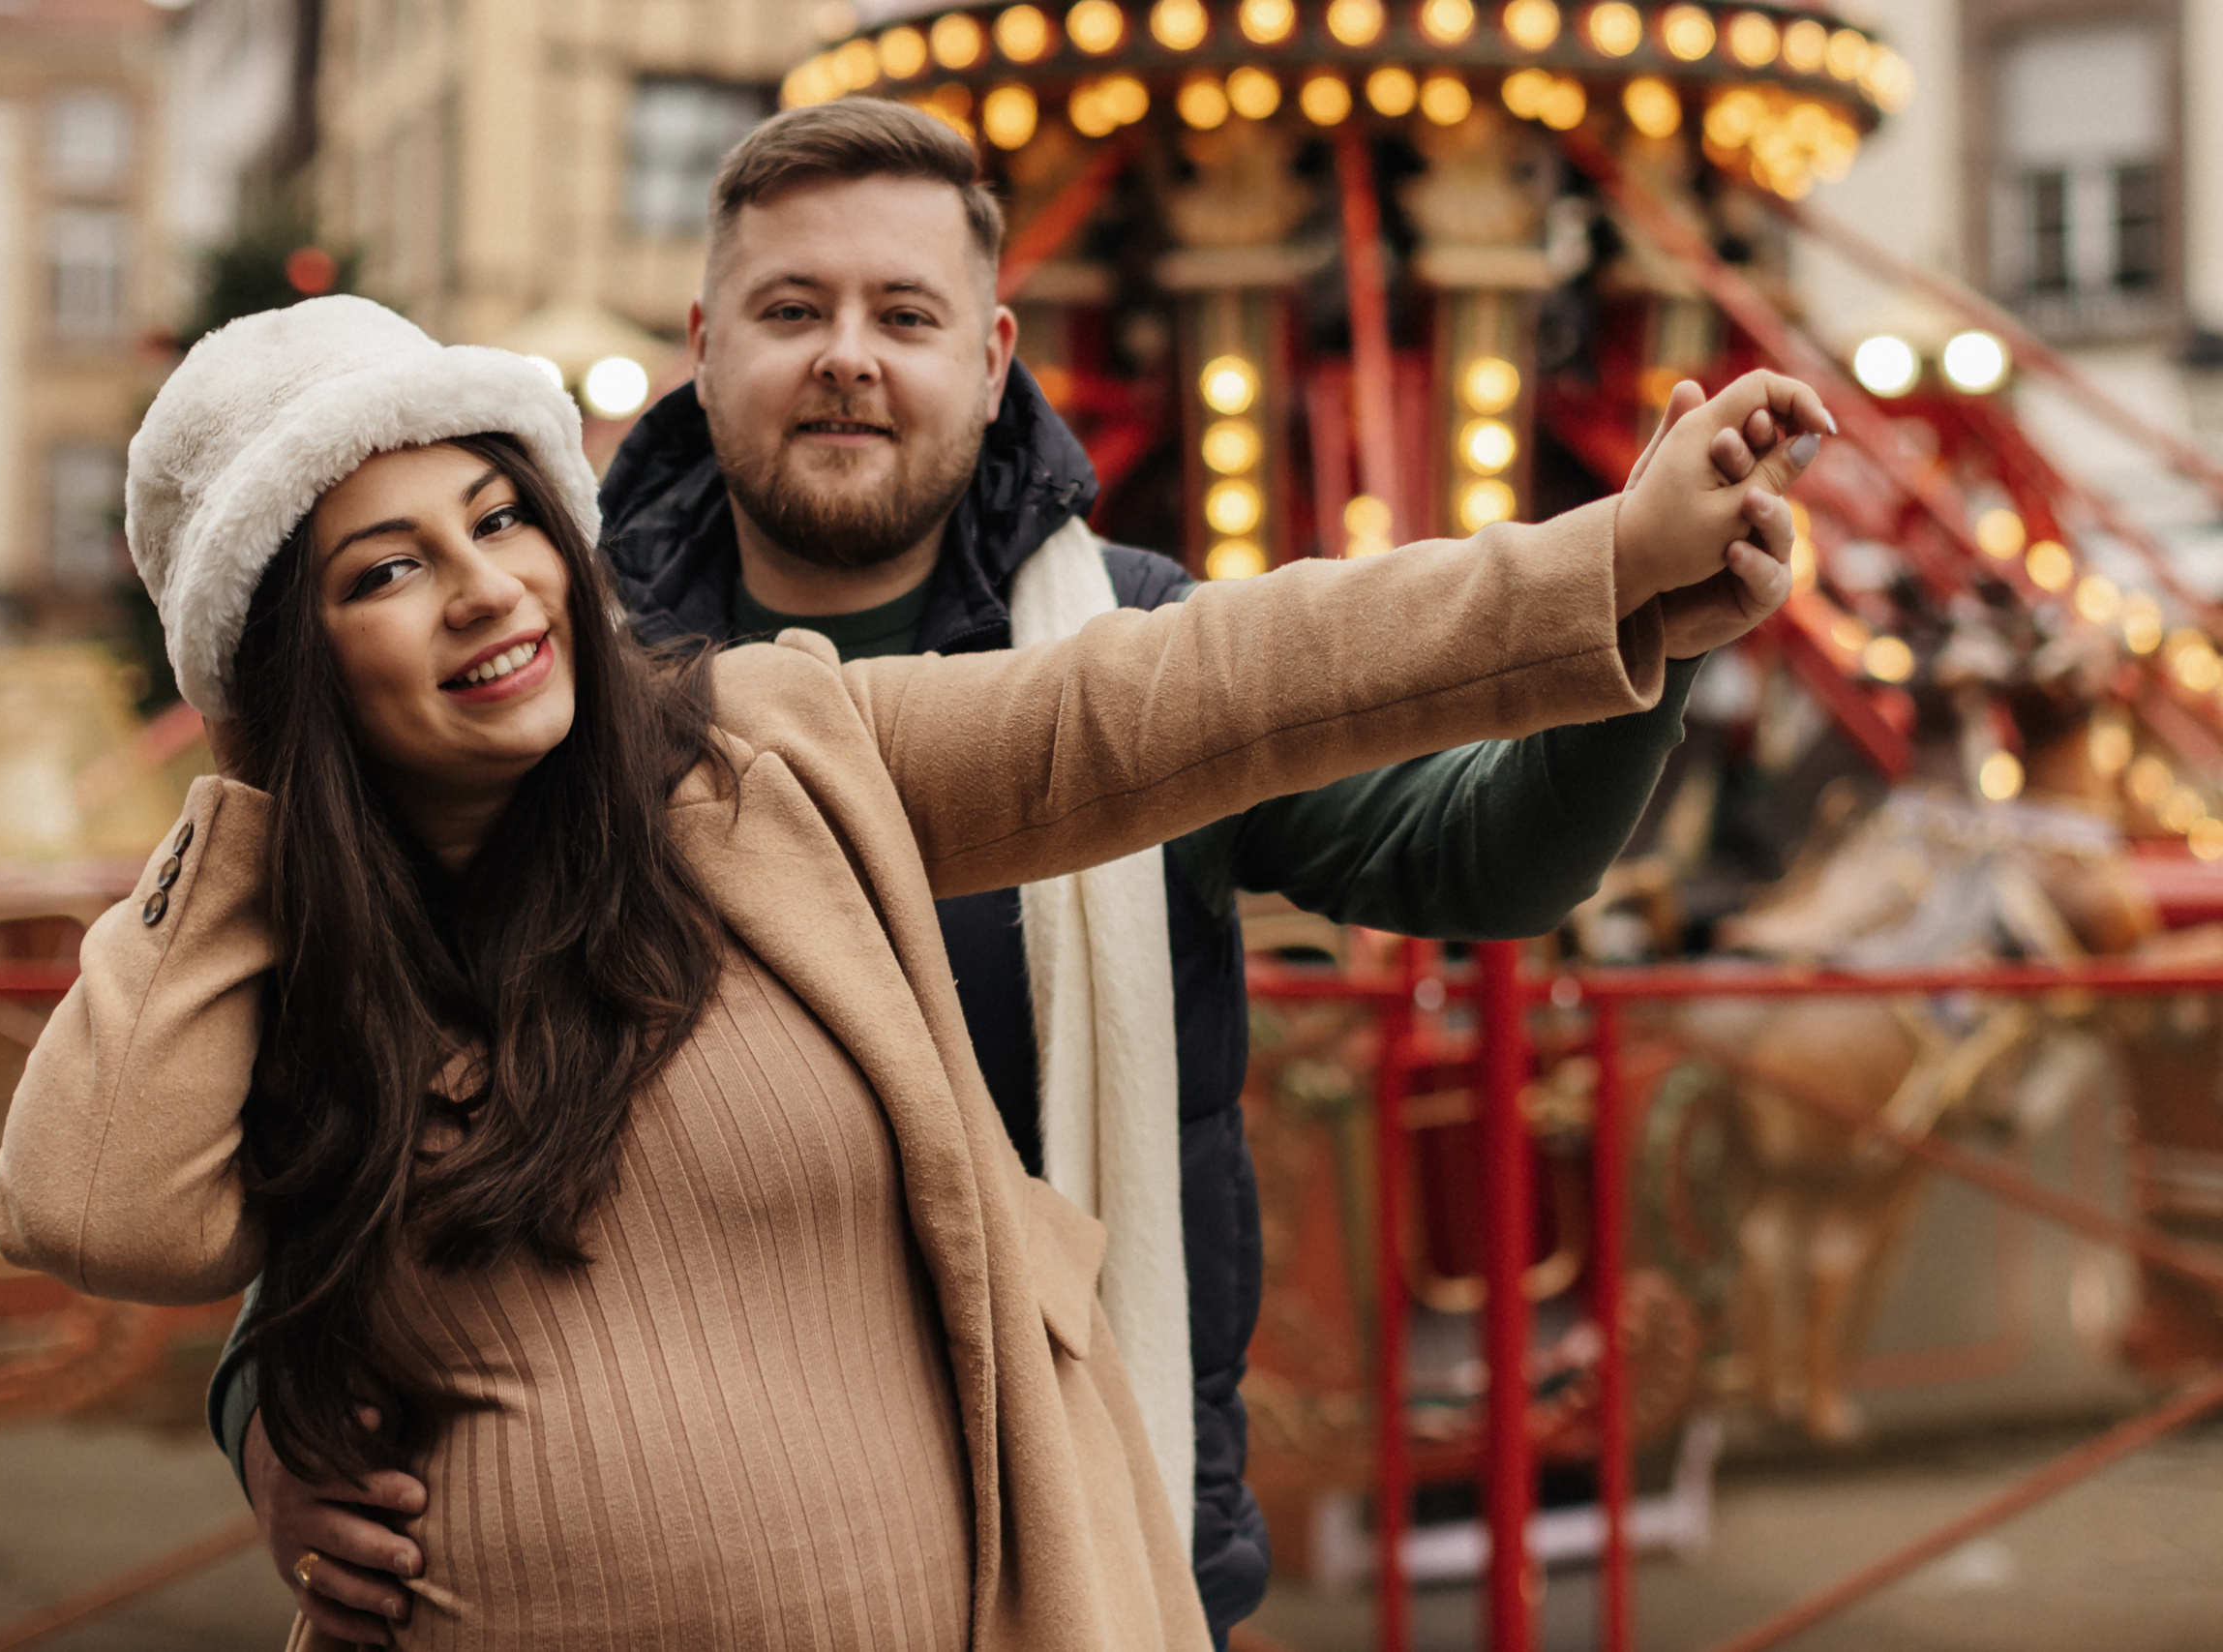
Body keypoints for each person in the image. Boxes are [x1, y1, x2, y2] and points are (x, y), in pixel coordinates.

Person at [205, 103, 1824, 1648]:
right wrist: (267, 1411)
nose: (847, 355)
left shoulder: (1119, 651)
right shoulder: (536, 681)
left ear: (990, 365)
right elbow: (330, 1091)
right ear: (706, 351)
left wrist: (1648, 627)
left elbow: (1475, 856)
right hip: (683, 1565)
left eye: (904, 313)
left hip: (1092, 1526)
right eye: (792, 308)